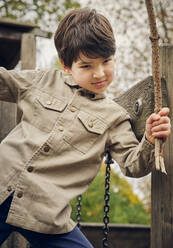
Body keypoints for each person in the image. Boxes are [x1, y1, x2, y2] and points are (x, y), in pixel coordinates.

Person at [0, 7, 171, 248]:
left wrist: (151, 139)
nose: (99, 73)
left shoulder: (114, 117)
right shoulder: (42, 81)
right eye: (86, 66)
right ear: (66, 66)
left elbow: (133, 165)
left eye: (106, 61)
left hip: (47, 215)